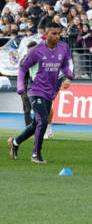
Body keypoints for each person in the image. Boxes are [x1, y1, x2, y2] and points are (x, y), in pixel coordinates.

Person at [9, 23, 73, 163]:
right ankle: (36, 155)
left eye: (59, 33)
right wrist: (20, 87)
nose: (57, 36)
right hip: (36, 90)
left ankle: (15, 142)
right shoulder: (37, 50)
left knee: (36, 123)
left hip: (49, 91)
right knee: (43, 121)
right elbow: (22, 68)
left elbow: (65, 65)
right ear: (46, 34)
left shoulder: (63, 47)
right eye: (54, 33)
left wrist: (69, 76)